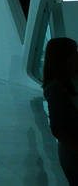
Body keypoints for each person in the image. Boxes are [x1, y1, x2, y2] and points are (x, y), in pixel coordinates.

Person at [43, 37, 78, 185]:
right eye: (74, 52)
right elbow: (58, 129)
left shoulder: (70, 81)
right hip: (73, 153)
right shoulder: (56, 88)